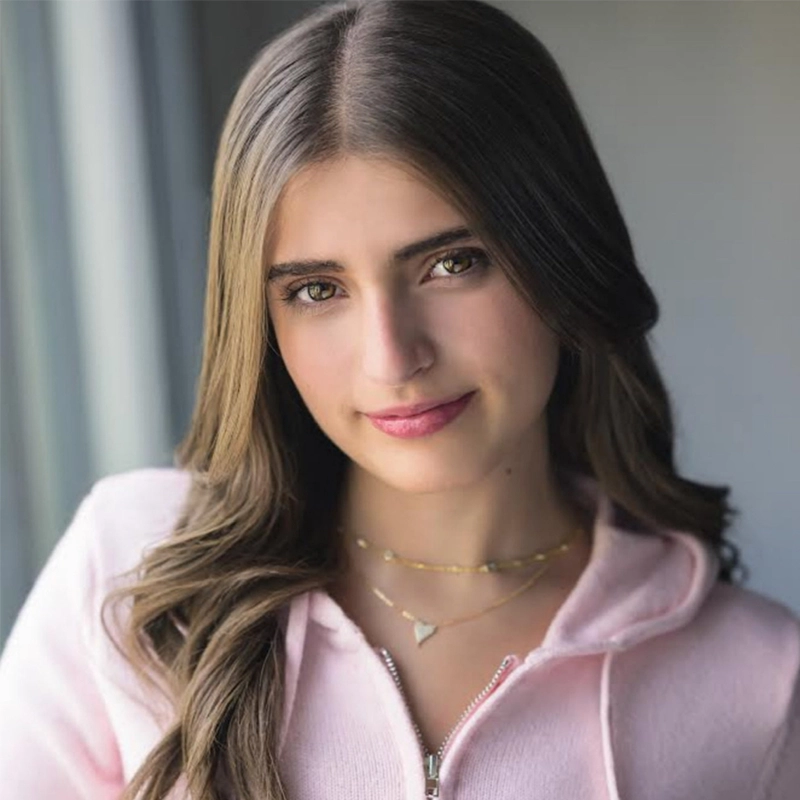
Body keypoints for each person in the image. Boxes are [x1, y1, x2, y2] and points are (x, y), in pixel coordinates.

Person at [1, 0, 798, 798]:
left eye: (451, 264)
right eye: (317, 289)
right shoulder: (133, 575)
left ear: (560, 251)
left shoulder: (760, 681)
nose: (393, 358)